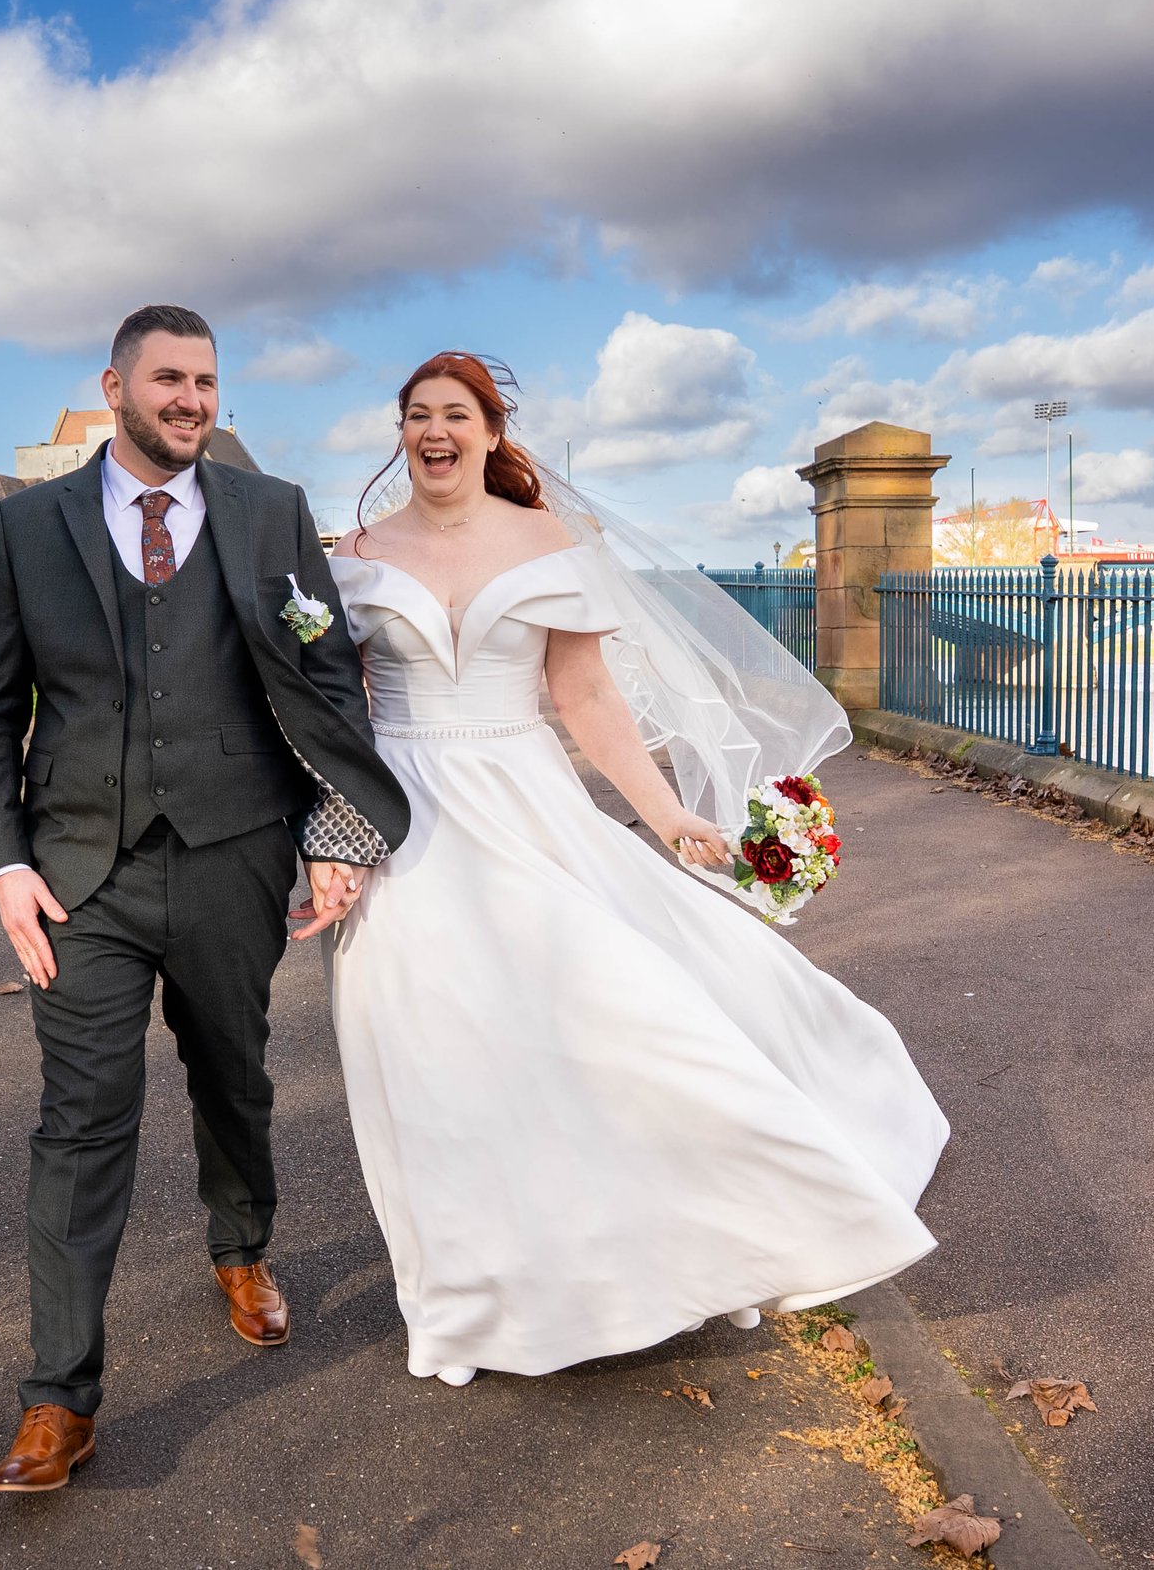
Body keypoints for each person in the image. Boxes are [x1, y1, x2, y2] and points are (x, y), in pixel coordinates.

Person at [324, 352, 949, 1388]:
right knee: (428, 1052)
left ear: (489, 431)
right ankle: (472, 1301)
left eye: (455, 414)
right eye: (417, 415)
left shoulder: (547, 542)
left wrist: (663, 815)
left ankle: (732, 1219)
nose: (435, 431)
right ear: (401, 433)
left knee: (622, 1014)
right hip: (403, 817)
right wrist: (333, 839)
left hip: (522, 805)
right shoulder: (353, 554)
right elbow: (332, 713)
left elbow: (586, 694)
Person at [0, 304, 410, 1491]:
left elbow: (326, 680)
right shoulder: (25, 526)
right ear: (113, 385)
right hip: (78, 871)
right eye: (169, 379)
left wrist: (337, 828)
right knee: (83, 1110)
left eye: (206, 381)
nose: (192, 400)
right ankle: (59, 1395)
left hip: (234, 849)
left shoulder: (272, 514)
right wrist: (5, 861)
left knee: (233, 1065)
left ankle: (242, 1246)